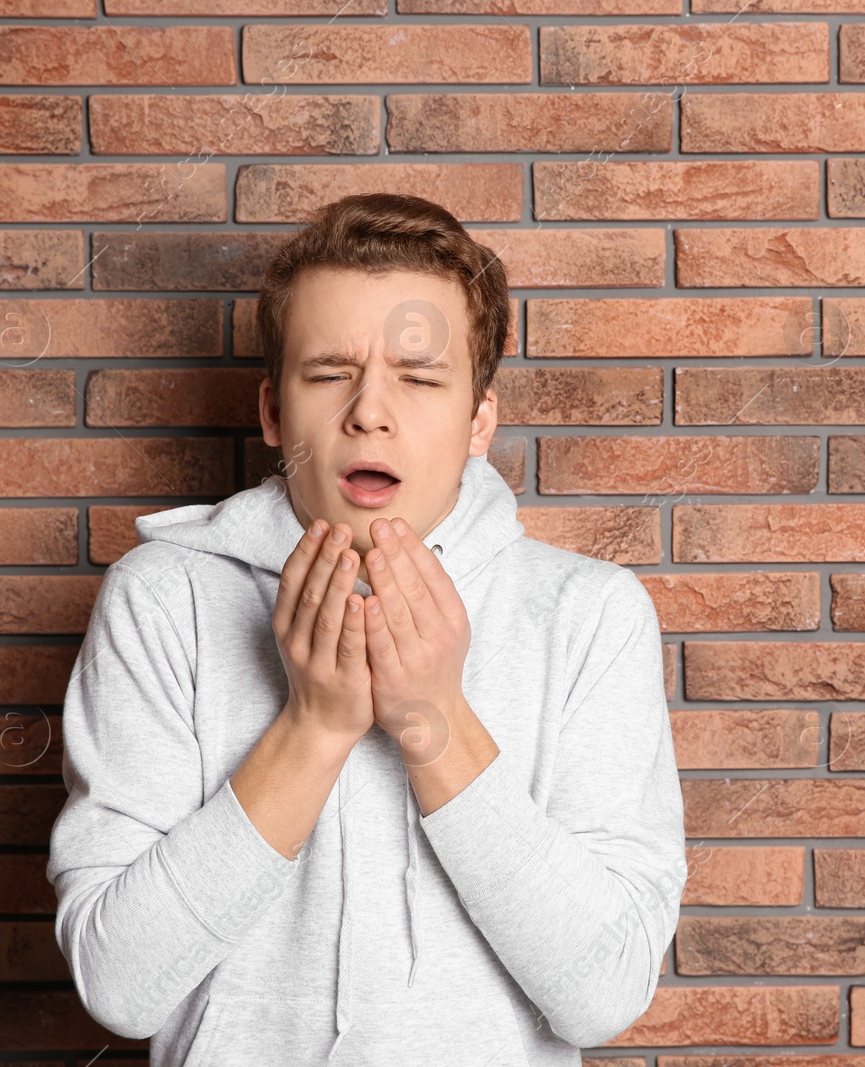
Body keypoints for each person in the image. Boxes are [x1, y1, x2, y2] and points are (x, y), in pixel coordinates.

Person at [46, 192, 688, 1065]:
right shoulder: (161, 600)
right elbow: (120, 985)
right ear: (274, 413)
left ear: (479, 420)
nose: (369, 412)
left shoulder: (589, 616)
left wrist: (435, 720)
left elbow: (603, 993)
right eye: (328, 374)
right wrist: (314, 727)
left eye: (420, 379)